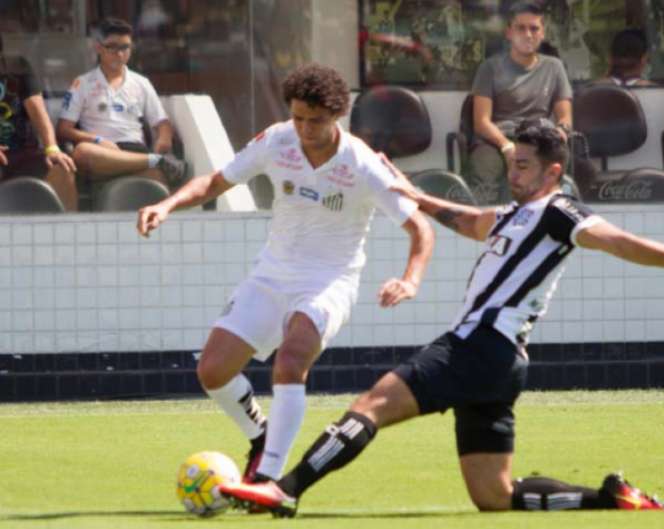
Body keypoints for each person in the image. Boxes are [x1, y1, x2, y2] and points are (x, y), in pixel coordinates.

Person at [219, 123, 664, 517]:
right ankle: (607, 499)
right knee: (494, 496)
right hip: (500, 362)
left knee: (372, 404)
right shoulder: (516, 215)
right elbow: (467, 220)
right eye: (513, 163)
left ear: (553, 173)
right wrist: (410, 191)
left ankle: (283, 490)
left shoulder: (561, 212)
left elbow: (621, 243)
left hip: (478, 345)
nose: (515, 173)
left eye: (526, 166)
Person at [136, 63, 434, 486]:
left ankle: (269, 479)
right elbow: (215, 183)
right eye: (297, 117)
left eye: (315, 120)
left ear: (337, 116)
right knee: (212, 371)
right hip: (271, 275)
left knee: (291, 360)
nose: (304, 128)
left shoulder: (363, 164)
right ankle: (260, 436)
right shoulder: (277, 140)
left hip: (329, 281)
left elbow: (419, 227)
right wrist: (166, 205)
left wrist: (411, 279)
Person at [57, 18, 185, 189]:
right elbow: (64, 129)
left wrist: (164, 138)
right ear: (98, 47)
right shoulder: (82, 83)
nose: (119, 54)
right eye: (112, 47)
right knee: (82, 153)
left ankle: (152, 162)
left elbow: (162, 123)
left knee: (157, 182)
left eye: (125, 47)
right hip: (100, 152)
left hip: (135, 151)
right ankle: (156, 161)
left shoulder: (141, 82)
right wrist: (96, 140)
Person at [467, 1, 572, 205]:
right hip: (497, 140)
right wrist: (506, 147)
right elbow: (481, 122)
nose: (528, 34)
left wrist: (561, 131)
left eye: (534, 28)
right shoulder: (490, 68)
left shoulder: (555, 67)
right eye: (521, 28)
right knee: (486, 168)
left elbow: (565, 116)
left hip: (537, 137)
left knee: (552, 173)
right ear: (509, 32)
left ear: (543, 33)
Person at [0, 34, 77, 210]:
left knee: (62, 167)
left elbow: (38, 111)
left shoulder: (17, 66)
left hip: (24, 152)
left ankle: (70, 232)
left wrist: (52, 148)